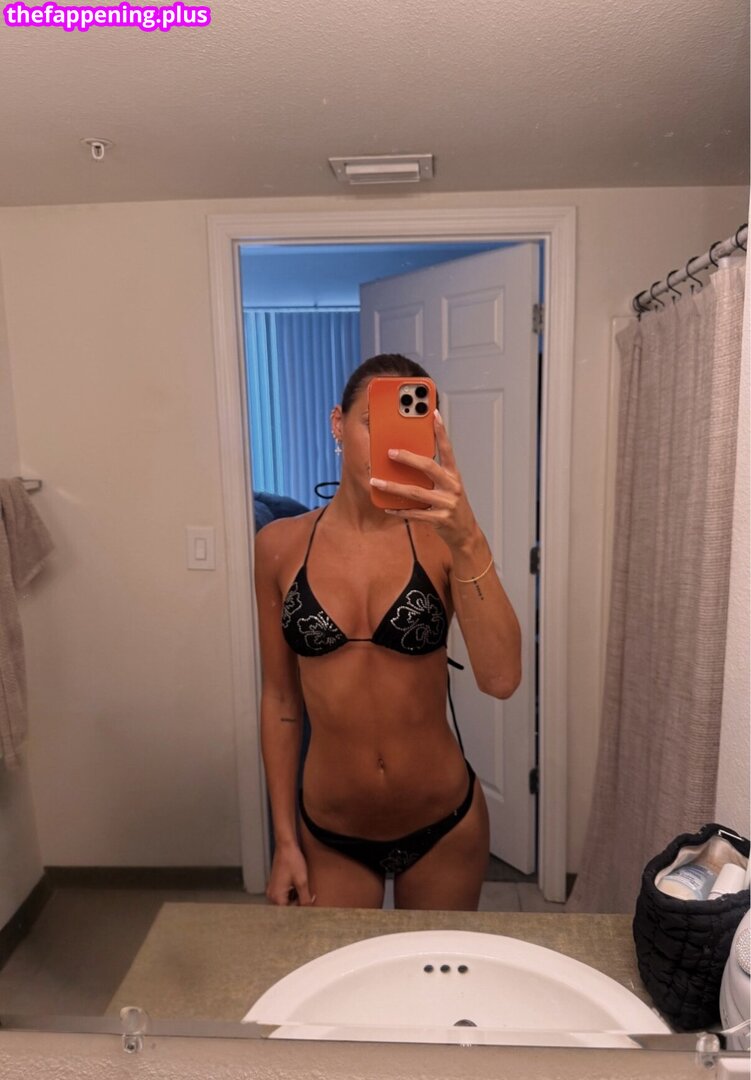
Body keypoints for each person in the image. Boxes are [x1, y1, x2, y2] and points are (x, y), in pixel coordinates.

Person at [254, 354, 522, 910]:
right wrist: (284, 840)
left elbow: (501, 679)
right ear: (337, 423)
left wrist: (468, 537)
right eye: (372, 424)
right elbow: (280, 701)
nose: (391, 447)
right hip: (330, 832)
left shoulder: (445, 541)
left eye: (409, 429)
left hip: (444, 824)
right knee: (341, 970)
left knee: (436, 970)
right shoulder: (278, 546)